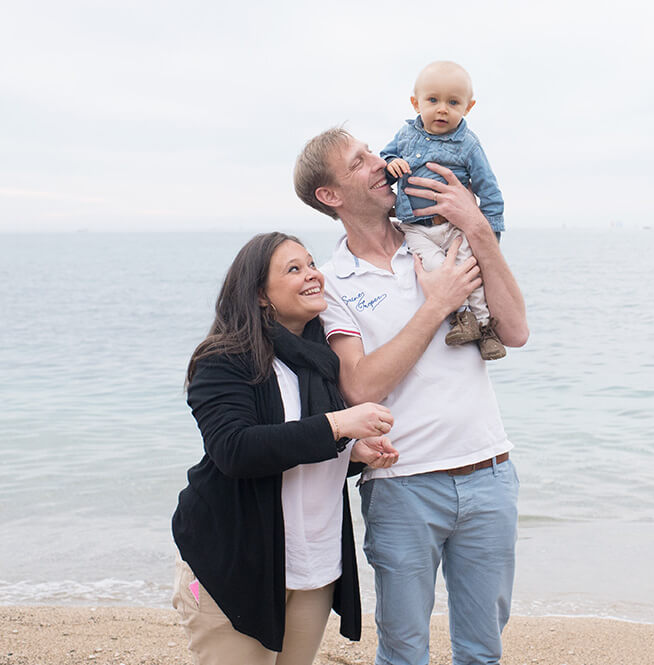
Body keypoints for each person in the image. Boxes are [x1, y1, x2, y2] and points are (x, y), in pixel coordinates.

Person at [293, 127, 529, 665]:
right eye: (358, 163)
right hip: (402, 487)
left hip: (490, 472)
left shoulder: (445, 239)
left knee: (483, 651)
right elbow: (359, 386)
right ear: (330, 195)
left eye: (372, 152)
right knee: (403, 651)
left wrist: (477, 227)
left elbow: (514, 332)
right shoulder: (332, 285)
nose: (380, 163)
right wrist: (436, 305)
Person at [171, 232, 400, 665]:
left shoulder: (321, 359)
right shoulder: (224, 358)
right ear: (260, 294)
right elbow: (235, 450)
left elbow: (301, 445)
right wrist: (337, 425)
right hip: (236, 563)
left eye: (311, 264)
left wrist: (353, 452)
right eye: (293, 269)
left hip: (313, 565)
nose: (312, 275)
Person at [382, 60, 506, 360]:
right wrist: (390, 164)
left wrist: (490, 236)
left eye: (453, 102)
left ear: (468, 107)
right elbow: (386, 157)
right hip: (415, 226)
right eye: (433, 100)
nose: (442, 109)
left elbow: (489, 189)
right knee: (438, 269)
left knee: (468, 271)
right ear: (416, 103)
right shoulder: (406, 134)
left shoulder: (468, 144)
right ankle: (463, 318)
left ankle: (486, 328)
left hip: (453, 225)